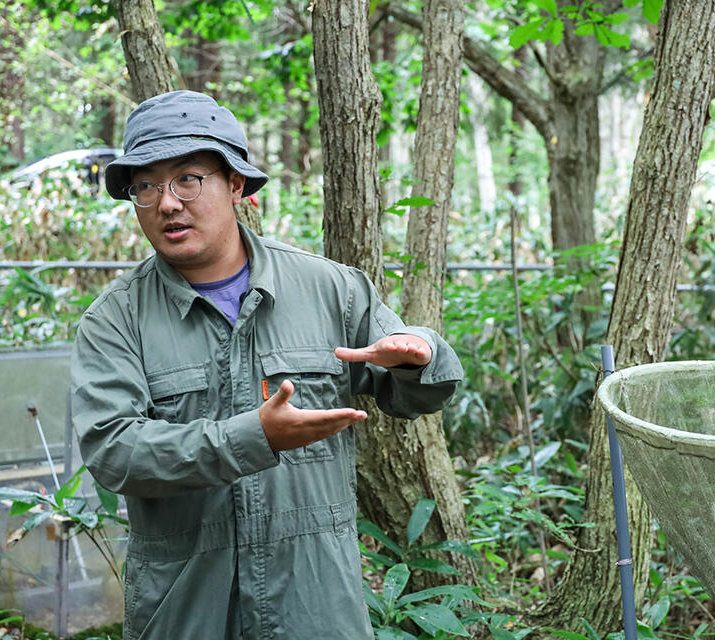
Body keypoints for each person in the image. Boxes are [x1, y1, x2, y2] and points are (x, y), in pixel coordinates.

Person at [70, 90, 463, 640]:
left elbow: (420, 393)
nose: (167, 203)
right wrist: (253, 437)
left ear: (236, 184)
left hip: (317, 606)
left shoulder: (331, 289)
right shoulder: (116, 319)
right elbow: (115, 453)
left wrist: (418, 355)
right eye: (146, 185)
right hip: (186, 613)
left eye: (188, 178)